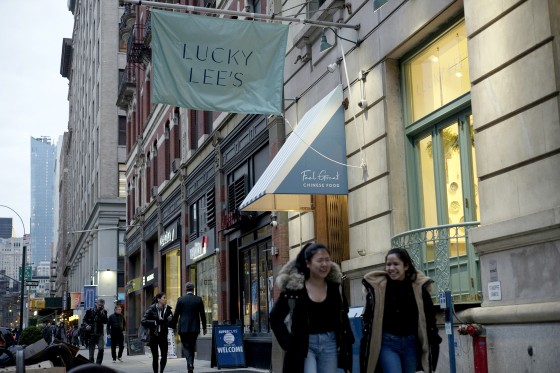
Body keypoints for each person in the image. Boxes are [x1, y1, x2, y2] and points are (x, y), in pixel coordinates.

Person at [269, 242, 354, 373]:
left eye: (327, 260)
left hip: (330, 344)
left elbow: (343, 315)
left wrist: (346, 343)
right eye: (320, 260)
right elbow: (275, 317)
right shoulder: (294, 288)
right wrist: (289, 344)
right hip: (305, 345)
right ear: (308, 263)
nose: (324, 264)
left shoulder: (335, 287)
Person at [360, 248, 442, 373]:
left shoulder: (418, 287)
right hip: (387, 344)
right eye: (388, 264)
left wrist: (432, 336)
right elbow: (368, 316)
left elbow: (429, 315)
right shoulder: (378, 288)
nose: (391, 268)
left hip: (411, 344)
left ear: (406, 266)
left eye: (396, 264)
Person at [172, 282, 207, 373]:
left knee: (186, 347)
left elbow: (176, 315)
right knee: (191, 346)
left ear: (185, 289)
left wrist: (173, 327)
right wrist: (204, 327)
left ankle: (190, 364)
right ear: (193, 289)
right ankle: (190, 366)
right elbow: (202, 314)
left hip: (183, 328)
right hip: (194, 328)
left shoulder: (181, 300)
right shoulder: (198, 299)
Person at [142, 292, 174, 373]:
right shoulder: (151, 309)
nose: (165, 299)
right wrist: (155, 322)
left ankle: (161, 371)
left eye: (166, 297)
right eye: (164, 298)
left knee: (164, 356)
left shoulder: (167, 309)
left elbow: (171, 323)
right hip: (154, 336)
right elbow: (143, 321)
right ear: (158, 299)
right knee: (155, 357)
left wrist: (170, 319)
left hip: (163, 336)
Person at [83, 298, 109, 364]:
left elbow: (105, 321)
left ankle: (98, 364)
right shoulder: (90, 311)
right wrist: (86, 326)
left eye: (102, 305)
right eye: (99, 305)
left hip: (99, 334)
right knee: (91, 353)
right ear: (96, 304)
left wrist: (102, 314)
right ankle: (92, 366)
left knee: (101, 349)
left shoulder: (104, 312)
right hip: (91, 335)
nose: (100, 306)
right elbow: (84, 320)